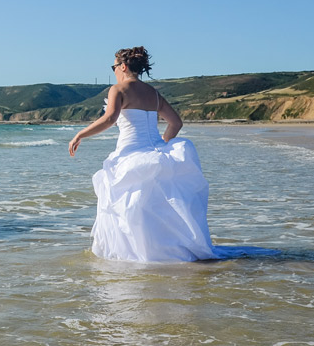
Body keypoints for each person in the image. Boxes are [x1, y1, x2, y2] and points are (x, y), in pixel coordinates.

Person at [69, 47, 274, 262]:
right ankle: (165, 251)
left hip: (131, 152)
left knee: (131, 206)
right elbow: (176, 123)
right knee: (151, 204)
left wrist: (80, 135)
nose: (113, 71)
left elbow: (110, 119)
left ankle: (139, 254)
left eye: (113, 66)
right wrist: (161, 146)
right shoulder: (154, 93)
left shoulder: (118, 89)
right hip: (155, 150)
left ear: (123, 66)